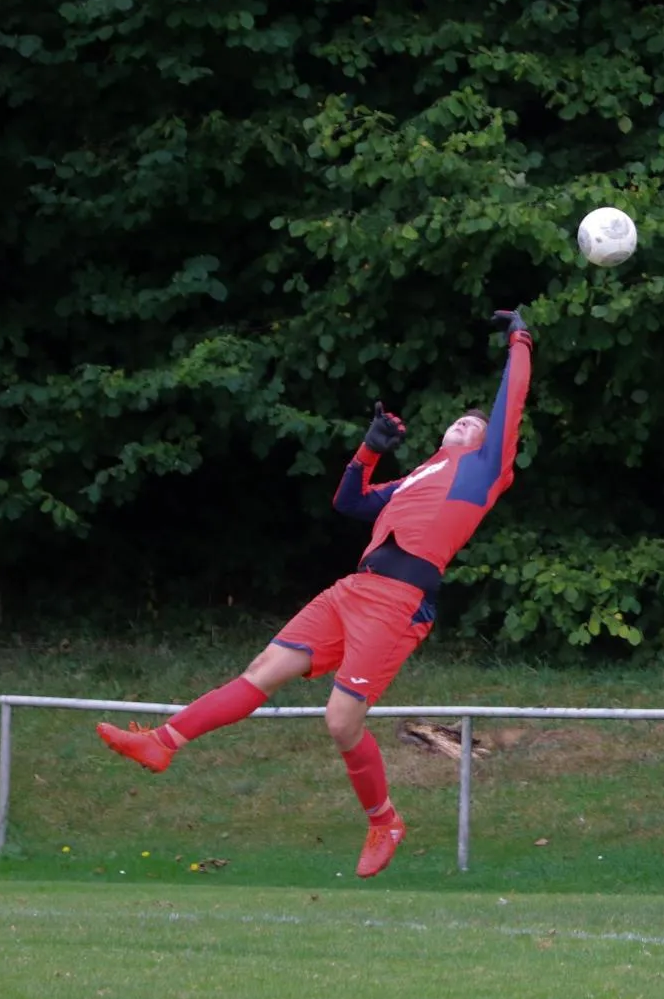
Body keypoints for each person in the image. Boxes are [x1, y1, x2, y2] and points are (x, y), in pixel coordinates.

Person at [97, 308, 534, 878]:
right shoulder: (417, 477)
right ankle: (163, 741)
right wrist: (369, 451)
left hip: (398, 602)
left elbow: (511, 400)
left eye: (473, 425)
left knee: (340, 721)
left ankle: (384, 821)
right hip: (354, 589)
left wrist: (520, 338)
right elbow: (349, 502)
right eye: (459, 421)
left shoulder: (485, 468)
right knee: (263, 668)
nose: (463, 424)